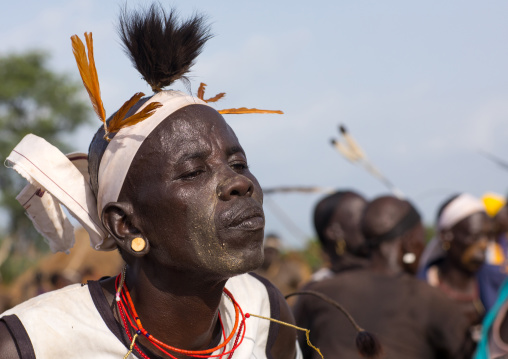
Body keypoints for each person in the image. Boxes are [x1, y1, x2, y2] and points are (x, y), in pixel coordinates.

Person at [0, 5, 300, 358]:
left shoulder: (265, 315)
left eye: (238, 162)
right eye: (193, 172)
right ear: (125, 224)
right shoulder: (33, 343)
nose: (238, 183)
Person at [293, 195, 473, 359]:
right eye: (421, 240)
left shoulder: (317, 293)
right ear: (409, 242)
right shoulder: (430, 299)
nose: (423, 249)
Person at [420, 193, 490, 337]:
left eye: (488, 236)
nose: (483, 245)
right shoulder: (420, 286)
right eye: (475, 236)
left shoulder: (495, 286)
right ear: (446, 236)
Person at [310, 190, 369, 281]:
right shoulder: (319, 288)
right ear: (334, 232)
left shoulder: (390, 275)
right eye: (363, 216)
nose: (371, 221)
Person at [254, 234, 310, 298]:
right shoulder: (254, 272)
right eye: (267, 250)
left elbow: (305, 288)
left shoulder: (290, 269)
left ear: (278, 252)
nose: (269, 254)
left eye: (272, 251)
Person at [477, 192, 508, 312]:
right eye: (505, 213)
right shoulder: (483, 249)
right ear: (493, 218)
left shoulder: (504, 243)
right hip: (492, 312)